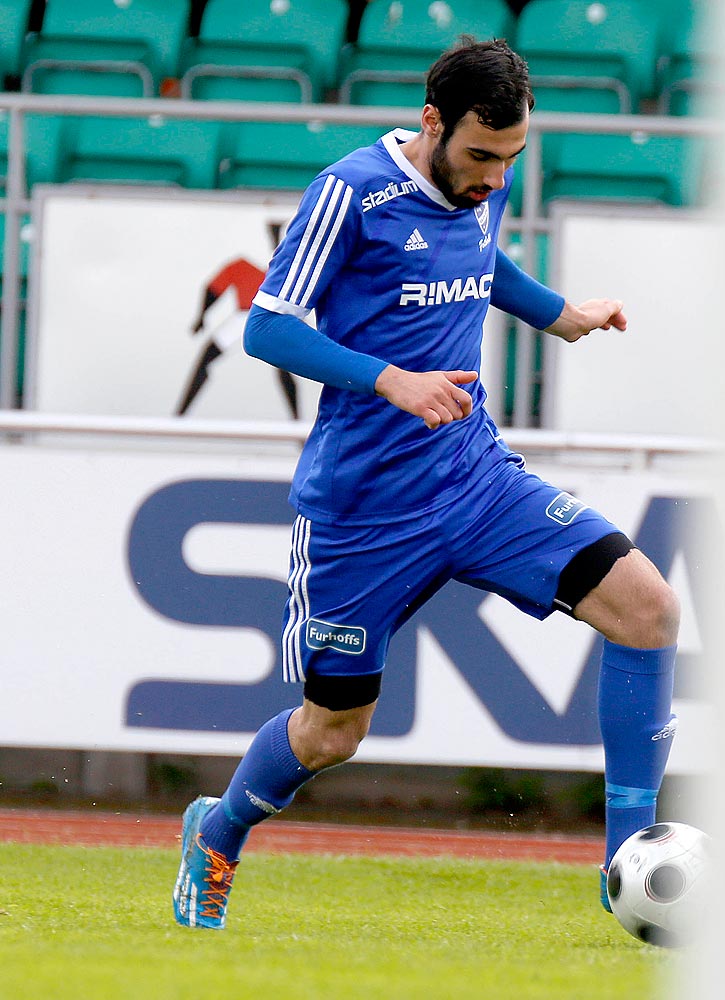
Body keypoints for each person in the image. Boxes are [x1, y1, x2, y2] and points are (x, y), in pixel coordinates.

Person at [172, 37, 680, 931]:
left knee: (648, 610)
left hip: (476, 482)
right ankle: (219, 831)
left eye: (512, 157)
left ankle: (626, 861)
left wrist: (560, 314)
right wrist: (391, 379)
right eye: (481, 154)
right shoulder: (351, 193)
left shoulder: (490, 177)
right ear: (434, 121)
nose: (495, 176)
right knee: (333, 731)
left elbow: (485, 264)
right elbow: (269, 329)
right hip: (362, 513)